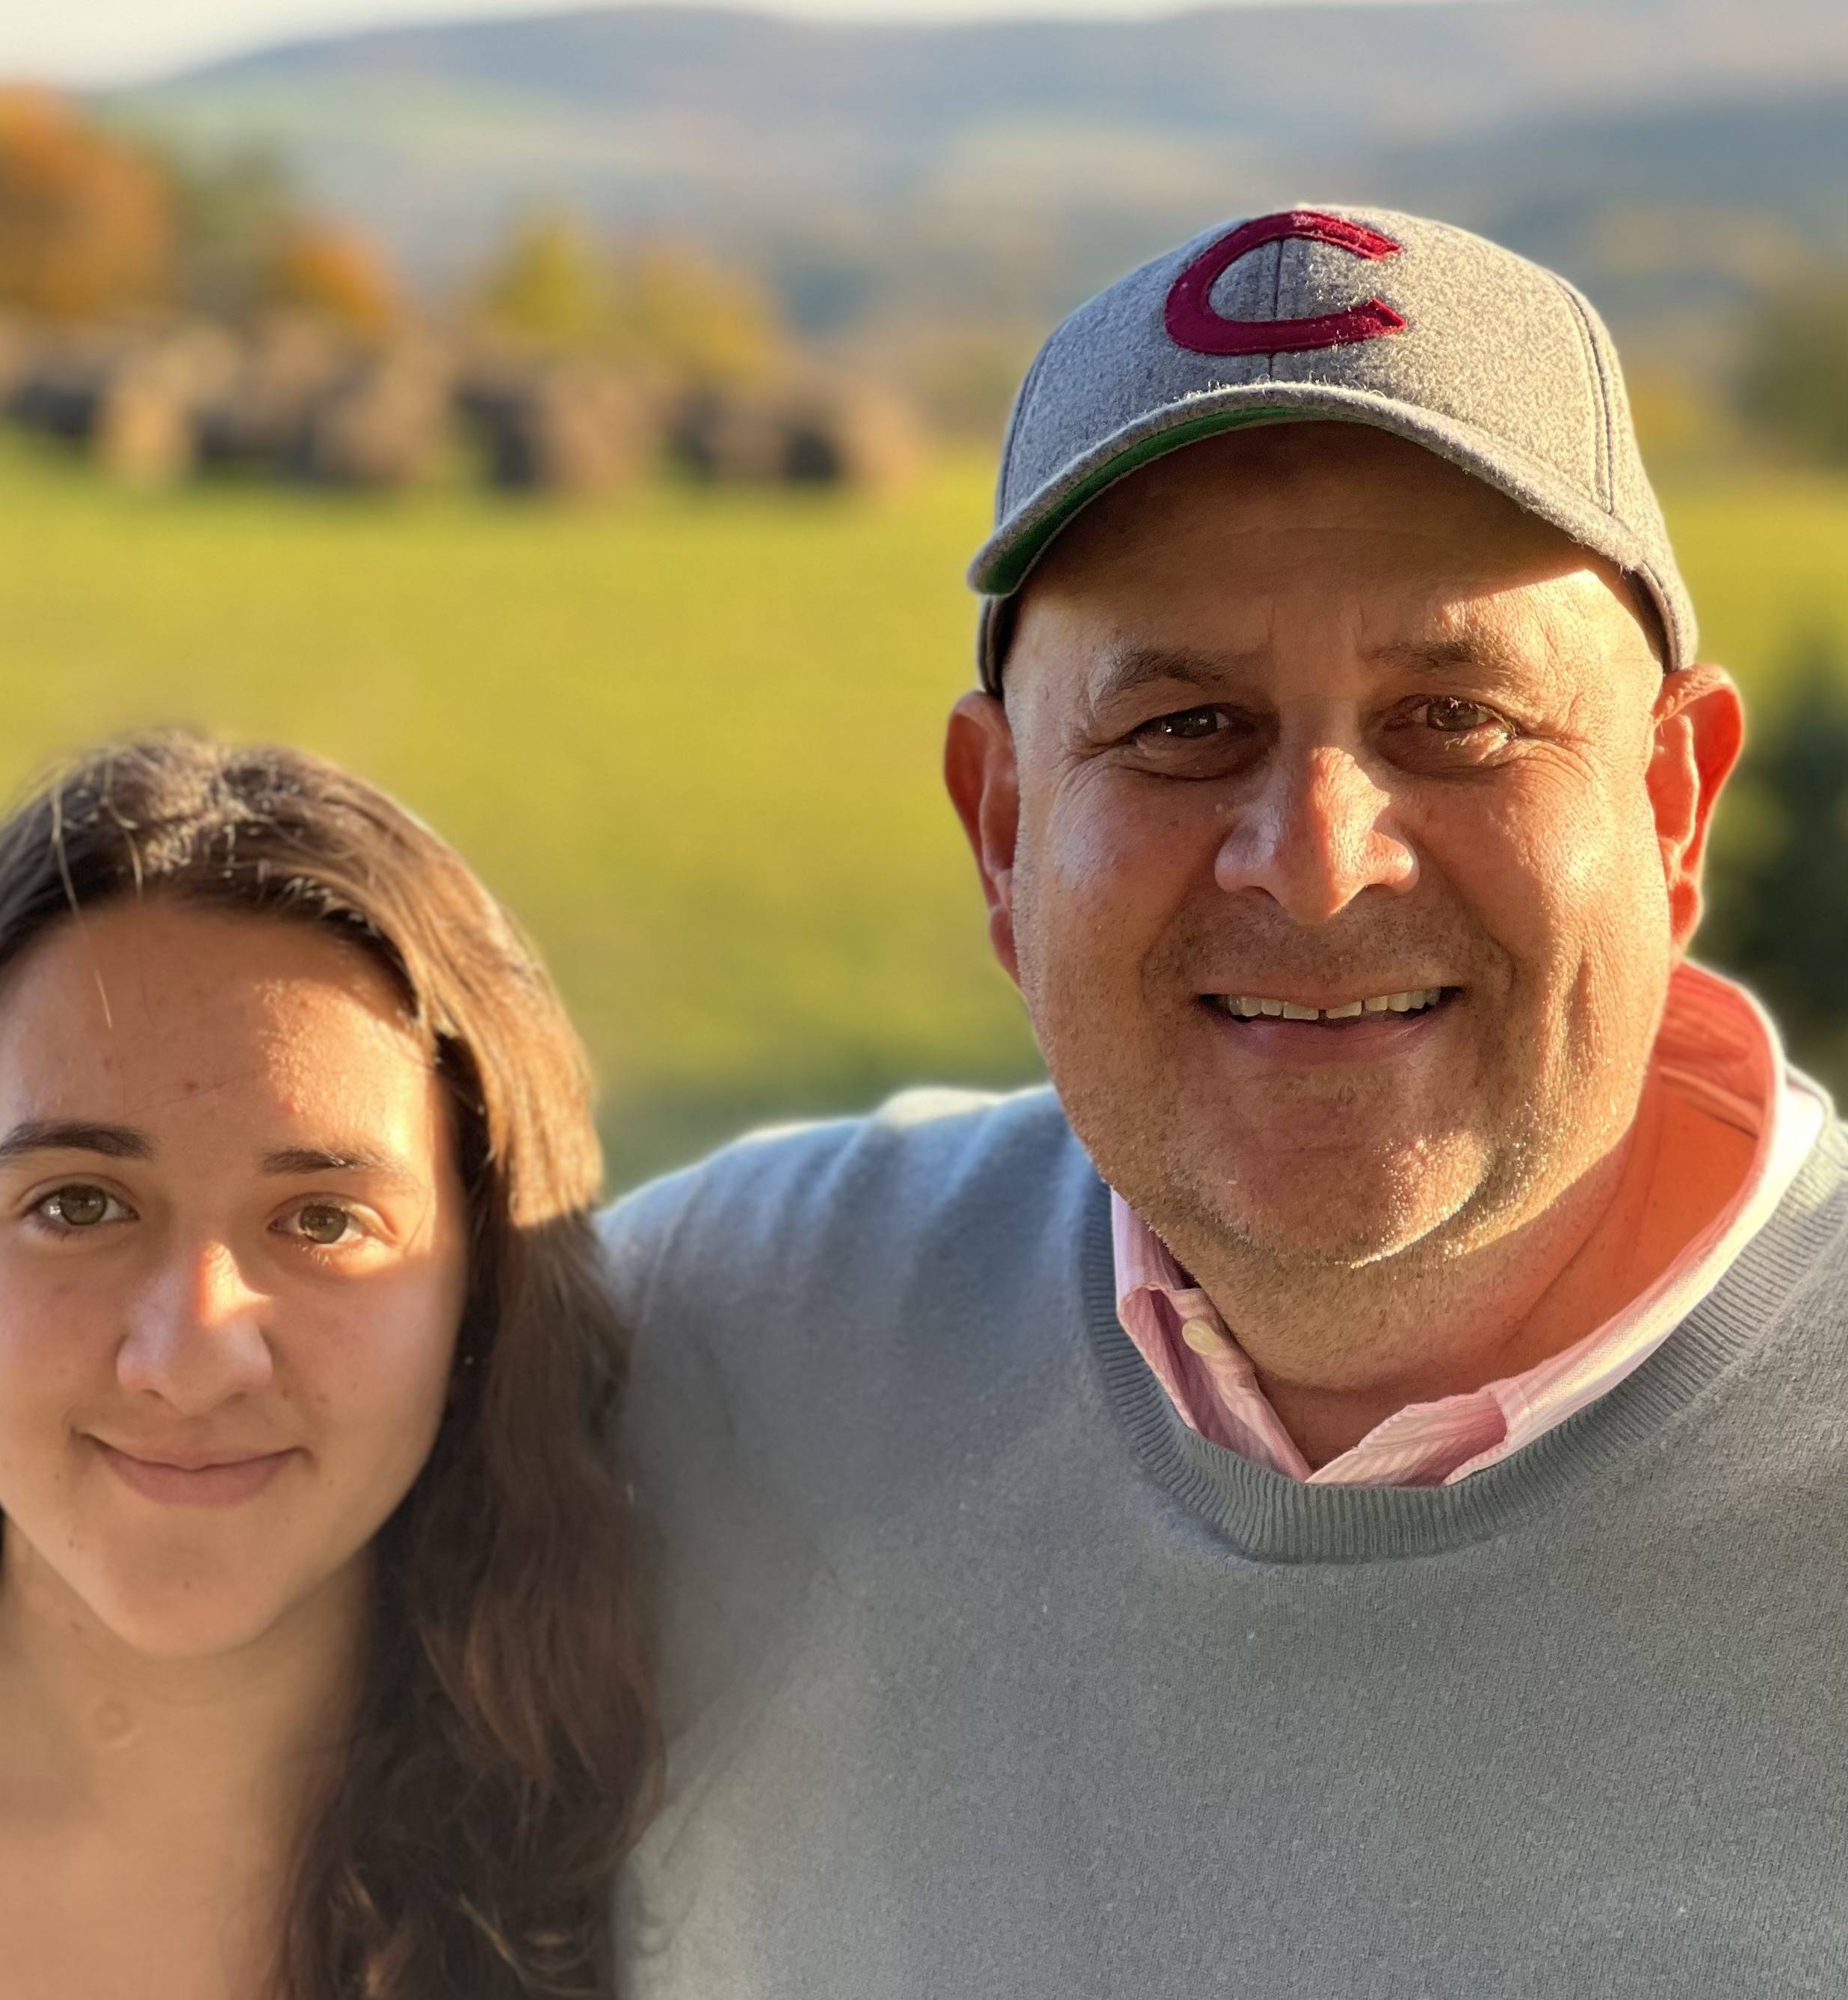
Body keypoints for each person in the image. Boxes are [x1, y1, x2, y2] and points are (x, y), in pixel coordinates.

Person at [605, 206, 1848, 1996]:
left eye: (1457, 718)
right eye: (1183, 727)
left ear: (1668, 810)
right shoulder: (718, 1335)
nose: (1315, 866)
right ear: (1005, 827)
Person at [0, 733, 656, 2000]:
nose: (192, 1359)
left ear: (481, 1294)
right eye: (81, 1206)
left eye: (321, 1222)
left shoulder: (689, 1864)